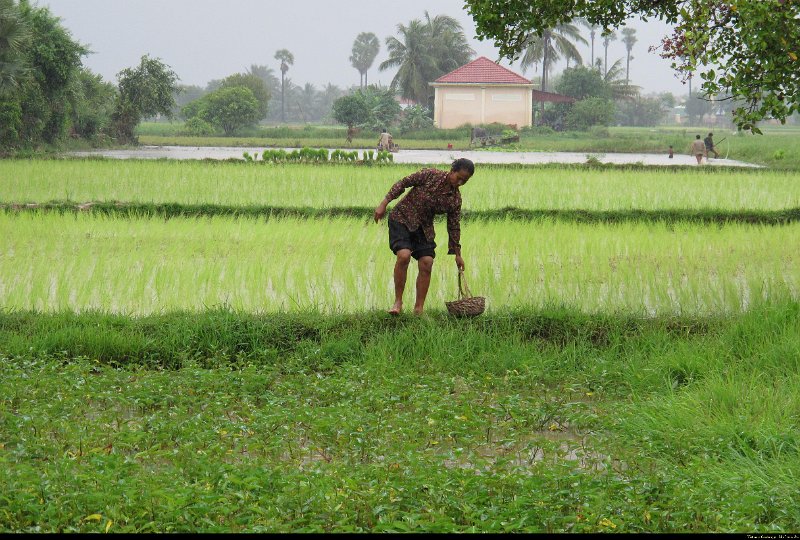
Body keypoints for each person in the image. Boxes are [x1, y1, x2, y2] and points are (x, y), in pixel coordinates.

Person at [373, 158, 475, 316]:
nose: (460, 182)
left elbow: (454, 226)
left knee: (427, 262)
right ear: (452, 170)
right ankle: (398, 302)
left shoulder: (454, 199)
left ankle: (419, 308)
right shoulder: (430, 175)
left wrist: (458, 254)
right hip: (402, 218)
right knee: (404, 255)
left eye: (465, 181)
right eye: (459, 177)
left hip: (423, 227)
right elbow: (403, 183)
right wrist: (384, 203)